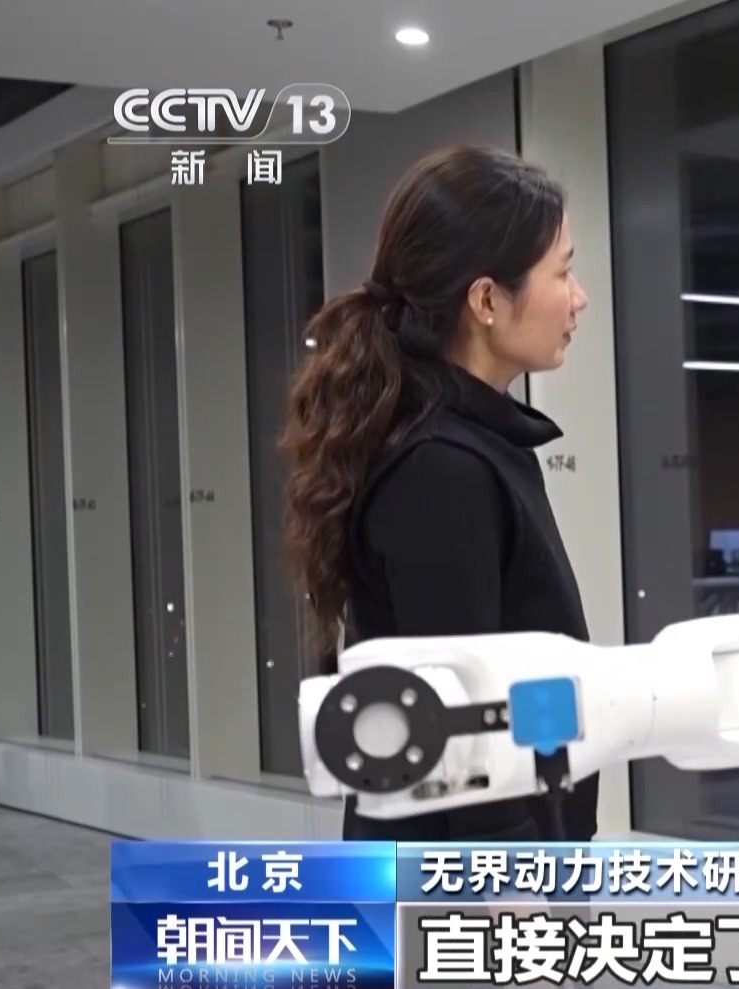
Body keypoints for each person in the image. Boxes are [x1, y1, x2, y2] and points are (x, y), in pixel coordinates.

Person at [280, 146, 592, 842]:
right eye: (562, 272)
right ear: (486, 301)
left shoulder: (473, 445)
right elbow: (459, 726)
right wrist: (516, 879)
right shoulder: (440, 471)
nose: (578, 297)